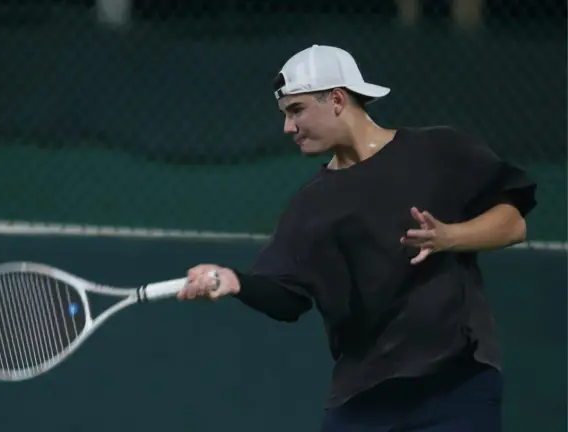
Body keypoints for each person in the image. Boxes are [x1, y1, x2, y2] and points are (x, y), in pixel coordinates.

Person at [176, 45, 537, 432]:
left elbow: (513, 223)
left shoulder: (438, 150)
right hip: (362, 397)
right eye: (284, 115)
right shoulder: (310, 205)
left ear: (336, 99)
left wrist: (452, 236)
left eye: (296, 111)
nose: (287, 128)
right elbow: (288, 299)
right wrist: (234, 282)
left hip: (456, 384)